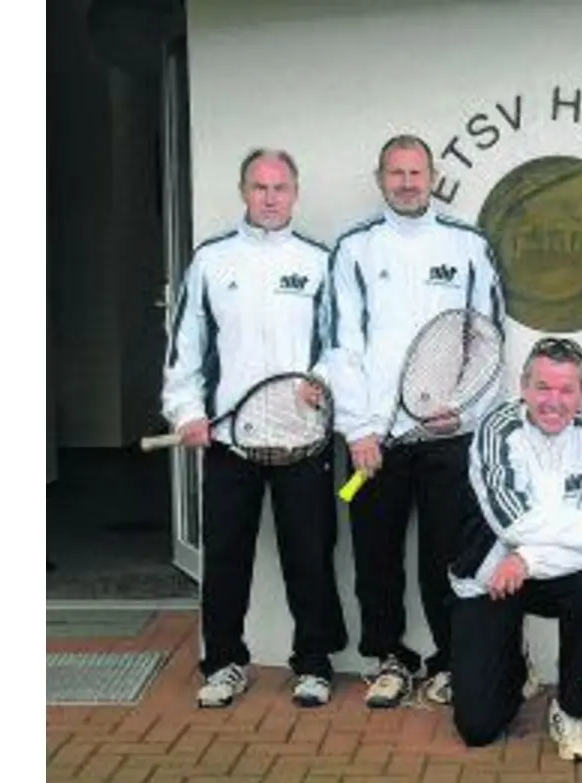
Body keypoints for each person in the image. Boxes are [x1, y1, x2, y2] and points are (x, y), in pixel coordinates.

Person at [160, 148, 349, 709]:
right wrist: (187, 412)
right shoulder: (211, 260)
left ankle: (313, 665)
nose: (270, 198)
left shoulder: (319, 262)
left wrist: (322, 381)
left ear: (296, 193)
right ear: (243, 191)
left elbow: (341, 345)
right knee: (225, 560)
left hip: (302, 442)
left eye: (280, 187)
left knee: (309, 557)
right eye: (260, 187)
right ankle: (223, 663)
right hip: (229, 444)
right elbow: (184, 346)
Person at [327, 135, 504, 709]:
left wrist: (466, 408)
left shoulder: (468, 244)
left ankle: (450, 661)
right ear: (380, 178)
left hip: (448, 434)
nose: (407, 183)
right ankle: (388, 659)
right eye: (396, 173)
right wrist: (358, 429)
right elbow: (341, 346)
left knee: (446, 556)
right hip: (375, 442)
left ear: (433, 177)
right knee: (374, 555)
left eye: (416, 172)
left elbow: (488, 338)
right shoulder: (353, 248)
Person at [448, 337, 582, 760]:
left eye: (566, 389)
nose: (554, 401)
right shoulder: (496, 428)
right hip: (493, 578)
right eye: (542, 387)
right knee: (478, 728)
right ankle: (515, 662)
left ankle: (572, 709)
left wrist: (528, 557)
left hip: (535, 571)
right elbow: (515, 523)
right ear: (523, 387)